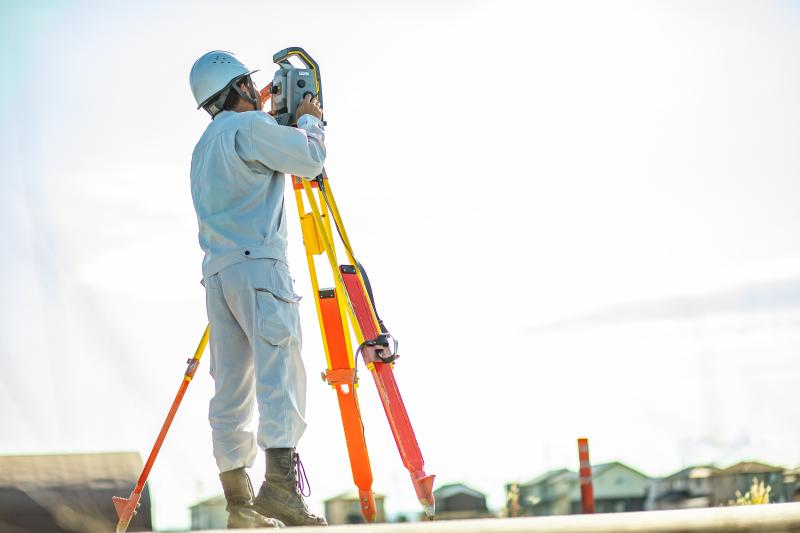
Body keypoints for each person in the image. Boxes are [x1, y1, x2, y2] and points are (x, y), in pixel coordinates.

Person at [189, 50, 327, 529]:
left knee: (230, 389)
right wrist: (309, 121)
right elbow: (309, 159)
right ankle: (281, 491)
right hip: (260, 269)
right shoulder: (249, 128)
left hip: (219, 275)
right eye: (250, 84)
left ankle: (240, 507)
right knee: (279, 373)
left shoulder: (204, 147)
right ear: (238, 88)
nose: (257, 90)